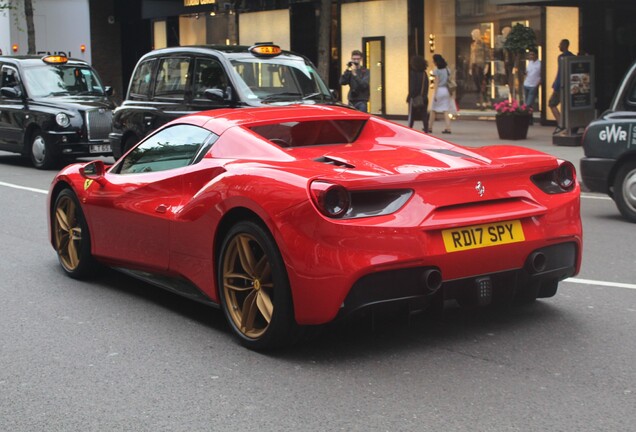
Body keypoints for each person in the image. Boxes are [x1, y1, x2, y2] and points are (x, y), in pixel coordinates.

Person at [549, 39, 574, 134]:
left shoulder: (562, 57)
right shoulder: (572, 57)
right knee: (567, 106)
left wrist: (556, 85)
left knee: (551, 103)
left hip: (560, 86)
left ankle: (561, 124)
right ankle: (565, 125)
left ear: (564, 45)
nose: (559, 46)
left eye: (560, 45)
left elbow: (560, 73)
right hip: (569, 86)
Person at [428, 54, 454, 134]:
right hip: (446, 90)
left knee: (433, 110)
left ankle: (430, 127)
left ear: (436, 61)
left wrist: (435, 94)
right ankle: (448, 128)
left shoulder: (436, 70)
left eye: (433, 60)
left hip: (439, 90)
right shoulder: (447, 69)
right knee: (446, 110)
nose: (433, 62)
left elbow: (436, 82)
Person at [406, 55, 429, 132]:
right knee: (424, 115)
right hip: (423, 97)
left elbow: (413, 87)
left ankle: (409, 129)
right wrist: (424, 95)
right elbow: (426, 85)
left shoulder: (413, 73)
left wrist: (410, 97)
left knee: (411, 115)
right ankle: (426, 129)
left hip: (414, 98)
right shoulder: (424, 73)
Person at [469, 28, 489, 109]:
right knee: (476, 83)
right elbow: (471, 56)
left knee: (482, 83)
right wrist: (470, 67)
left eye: (473, 35)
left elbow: (487, 55)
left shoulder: (483, 44)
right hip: (474, 65)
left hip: (481, 65)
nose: (472, 37)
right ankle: (479, 101)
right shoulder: (472, 45)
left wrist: (487, 66)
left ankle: (484, 101)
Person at [523, 48, 541, 125]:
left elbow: (541, 76)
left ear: (536, 55)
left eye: (532, 54)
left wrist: (537, 85)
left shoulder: (540, 64)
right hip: (526, 84)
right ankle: (530, 119)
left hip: (533, 85)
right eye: (530, 54)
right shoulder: (529, 63)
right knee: (528, 104)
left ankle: (527, 118)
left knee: (528, 103)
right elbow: (527, 73)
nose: (531, 56)